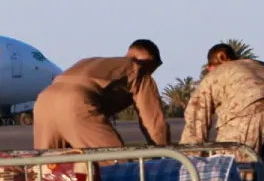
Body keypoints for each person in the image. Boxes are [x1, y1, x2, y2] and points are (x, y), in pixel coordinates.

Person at [33, 40, 171, 151]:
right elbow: (153, 121)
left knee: (47, 168)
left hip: (44, 102)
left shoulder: (91, 62)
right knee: (113, 163)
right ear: (148, 62)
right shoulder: (138, 69)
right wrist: (163, 153)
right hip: (75, 103)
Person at [180, 43, 264, 170]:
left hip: (248, 110)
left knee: (235, 173)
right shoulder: (258, 67)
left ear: (221, 58)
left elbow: (196, 120)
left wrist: (187, 165)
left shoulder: (216, 74)